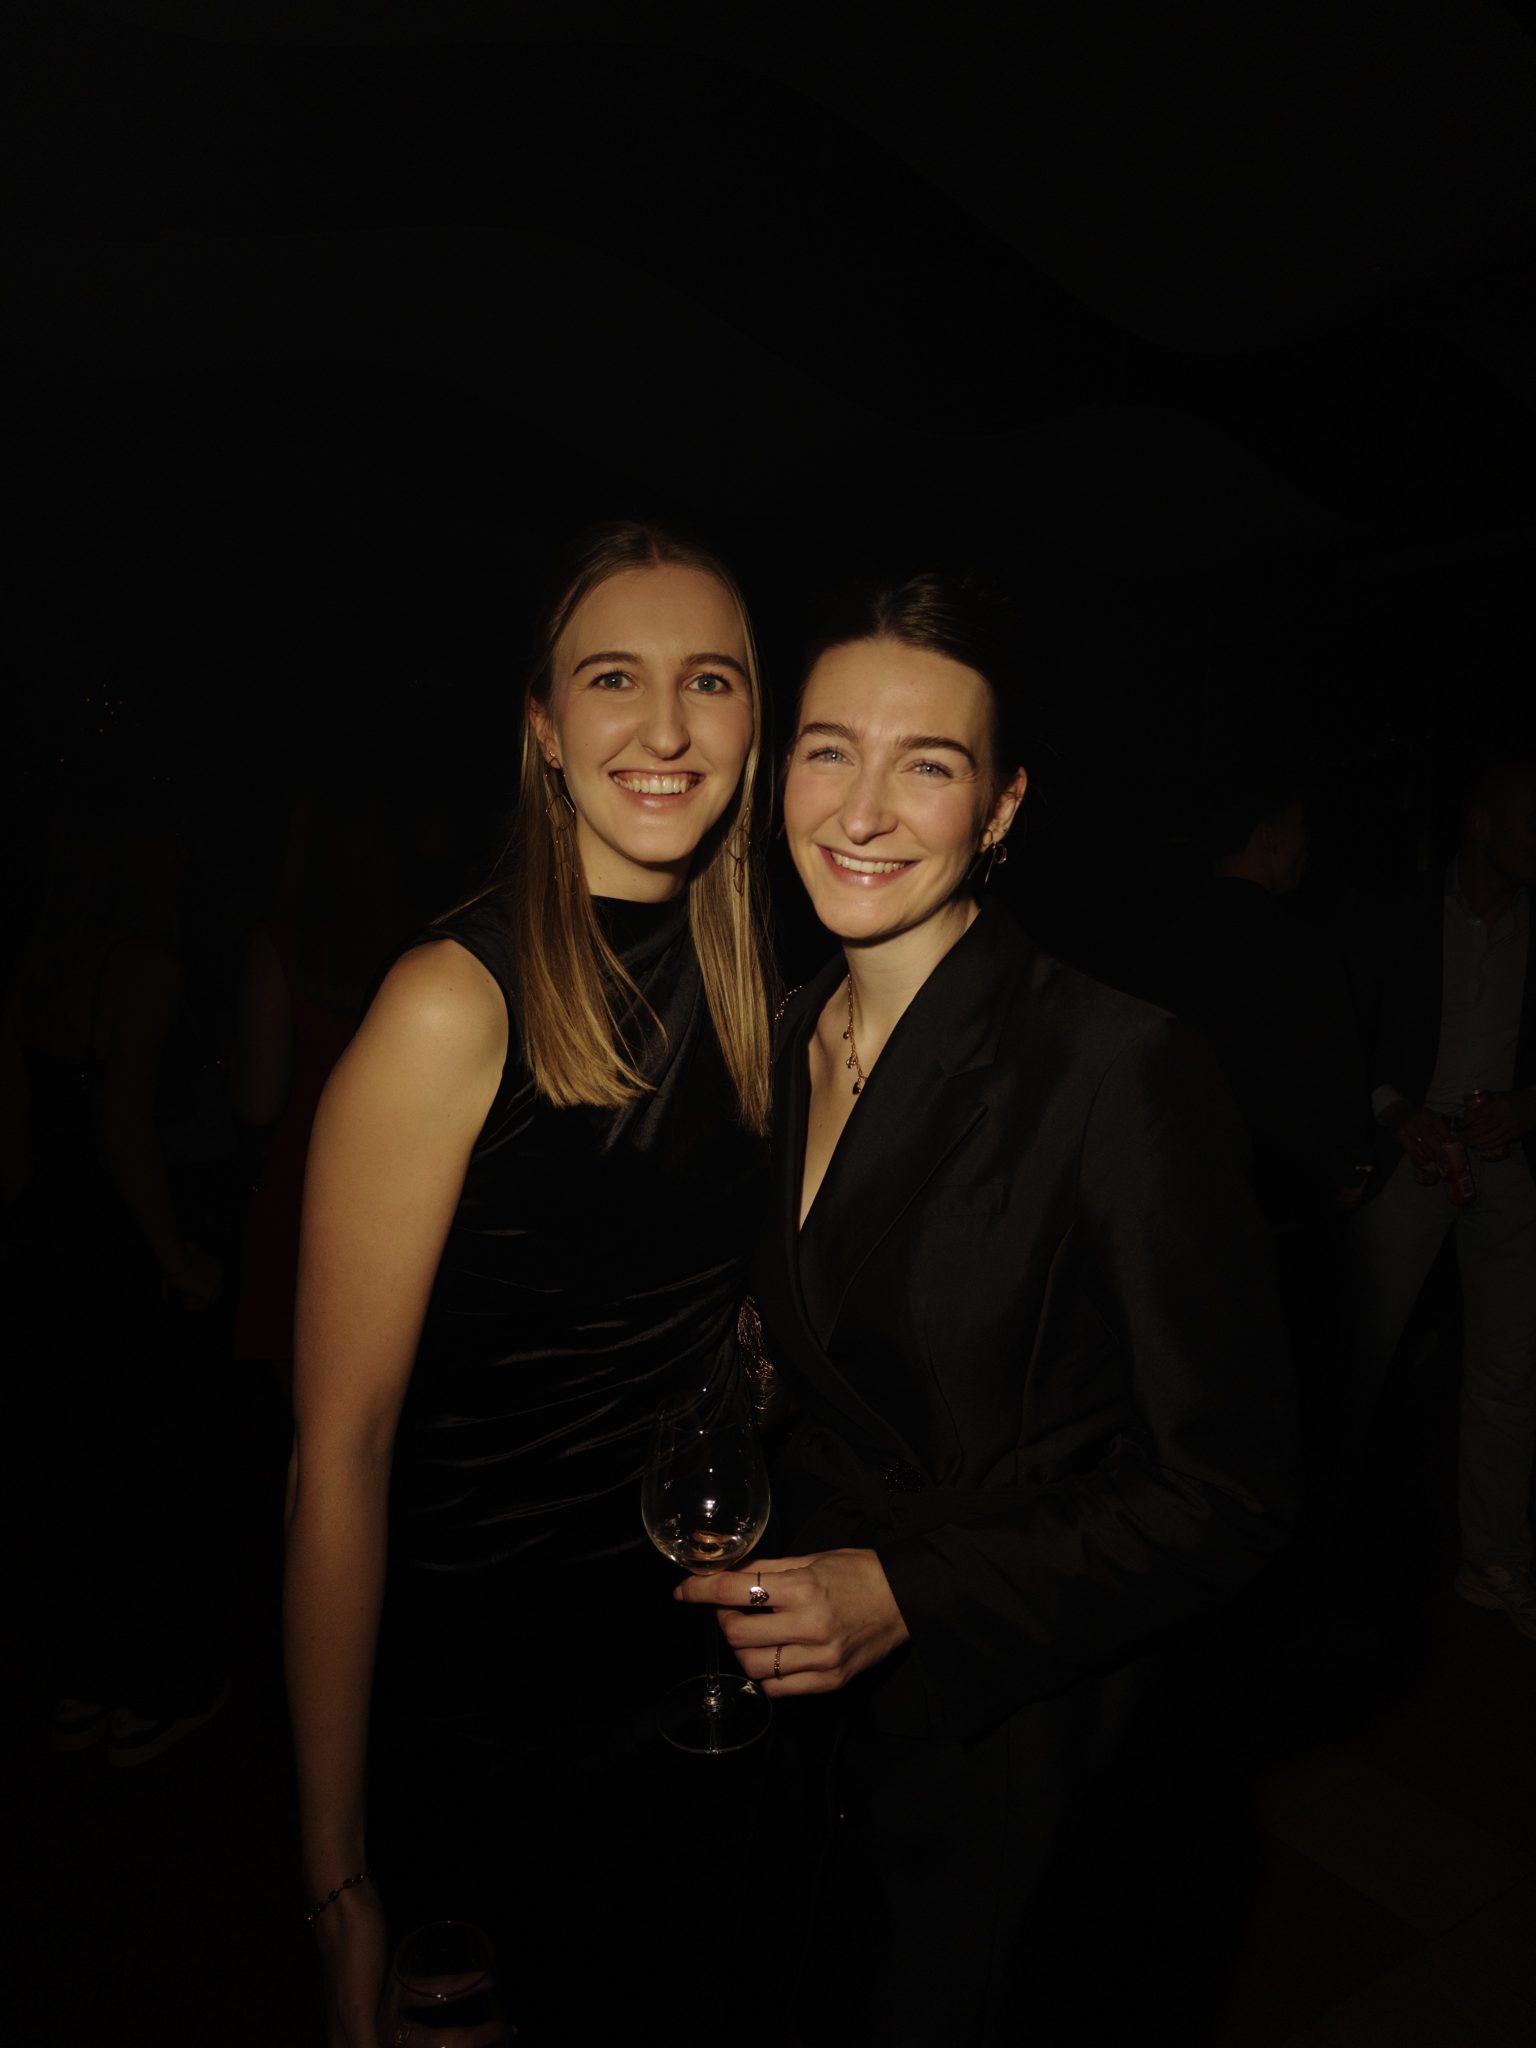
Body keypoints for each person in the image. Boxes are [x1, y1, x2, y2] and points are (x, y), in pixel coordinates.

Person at [680, 573, 1298, 2046]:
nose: (862, 810)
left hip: (1015, 1751)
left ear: (1004, 806)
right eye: (830, 750)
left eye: (929, 764)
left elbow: (1233, 1488)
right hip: (807, 1729)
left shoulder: (1117, 1069)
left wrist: (910, 1594)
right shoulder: (774, 1029)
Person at [283, 521, 773, 2046]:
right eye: (614, 678)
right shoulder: (452, 1003)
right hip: (492, 1717)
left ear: (757, 722)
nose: (667, 727)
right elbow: (337, 1459)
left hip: (689, 1673)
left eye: (710, 679)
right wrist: (339, 1882)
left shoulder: (760, 979)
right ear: (545, 729)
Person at [1346, 746, 1536, 1635]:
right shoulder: (1404, 910)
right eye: (1529, 816)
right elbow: (1346, 1031)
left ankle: (1492, 1559)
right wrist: (1395, 1113)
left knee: (1509, 1372)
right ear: (1481, 823)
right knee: (1357, 1355)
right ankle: (1324, 1554)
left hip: (1508, 1162)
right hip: (1413, 1157)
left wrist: (1527, 1108)